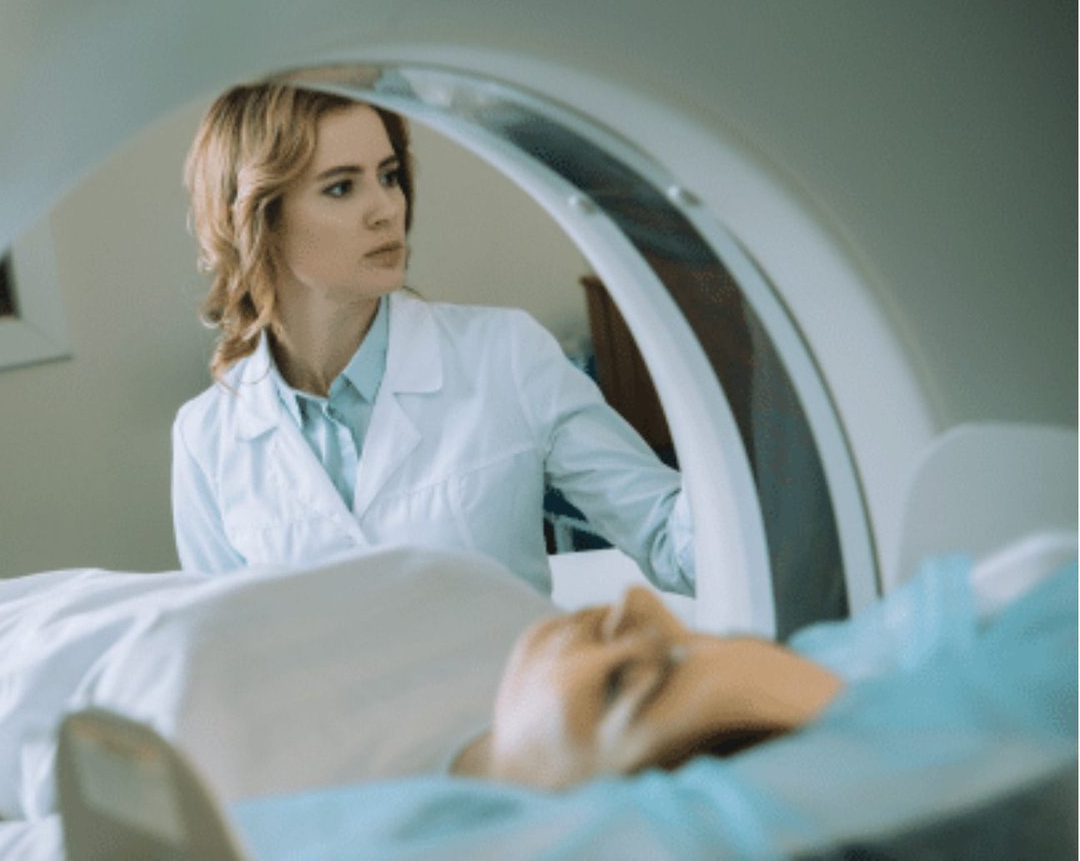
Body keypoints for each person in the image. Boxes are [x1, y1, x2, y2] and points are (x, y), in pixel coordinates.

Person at [0, 546, 839, 860]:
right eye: (683, 634)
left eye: (630, 682)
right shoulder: (491, 604)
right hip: (37, 599)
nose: (635, 610)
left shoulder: (277, 833)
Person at [172, 83, 693, 597]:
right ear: (259, 220)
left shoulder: (505, 355)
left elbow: (673, 545)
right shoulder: (206, 438)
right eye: (340, 187)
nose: (386, 209)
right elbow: (226, 652)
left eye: (389, 176)